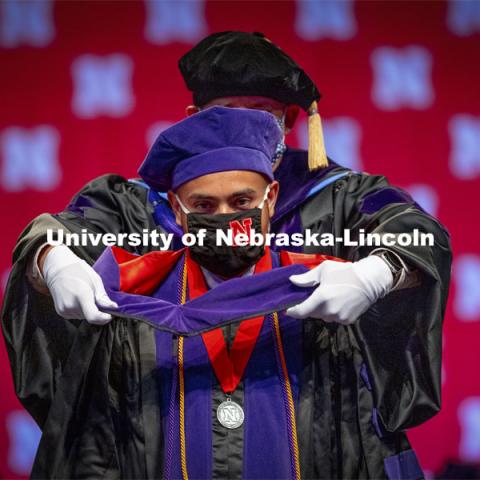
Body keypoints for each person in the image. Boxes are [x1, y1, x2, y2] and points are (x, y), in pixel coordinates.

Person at [2, 31, 452, 478]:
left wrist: (378, 272)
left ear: (291, 121)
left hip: (316, 423)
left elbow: (418, 237)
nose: (245, 128)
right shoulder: (141, 203)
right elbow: (62, 235)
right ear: (195, 117)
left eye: (263, 116)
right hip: (170, 416)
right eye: (227, 114)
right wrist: (54, 262)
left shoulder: (340, 197)